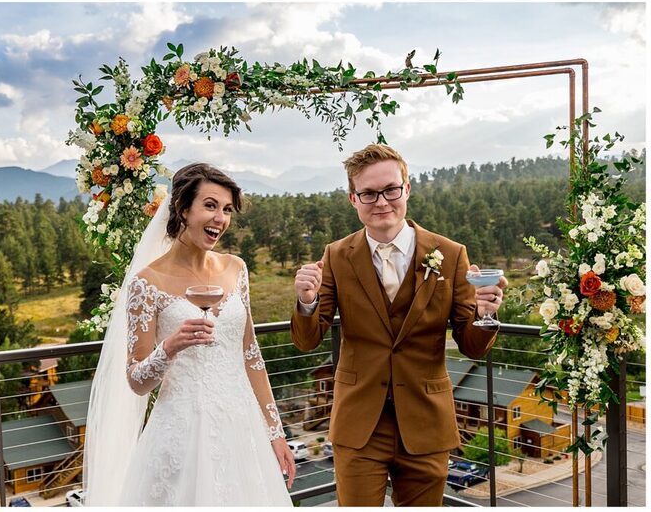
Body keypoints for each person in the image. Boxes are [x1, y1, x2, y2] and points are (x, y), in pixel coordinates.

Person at [291, 144, 507, 506]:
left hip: (426, 422)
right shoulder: (336, 255)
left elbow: (471, 346)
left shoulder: (450, 254)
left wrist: (485, 314)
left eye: (390, 189)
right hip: (359, 424)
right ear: (353, 199)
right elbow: (306, 340)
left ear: (407, 189)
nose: (381, 202)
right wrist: (307, 300)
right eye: (369, 193)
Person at [85, 163, 294, 506]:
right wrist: (169, 348)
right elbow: (136, 380)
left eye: (227, 209)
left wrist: (275, 432)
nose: (220, 219)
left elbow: (251, 355)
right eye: (210, 205)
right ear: (183, 209)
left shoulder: (236, 269)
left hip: (243, 434)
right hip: (182, 437)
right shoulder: (147, 283)